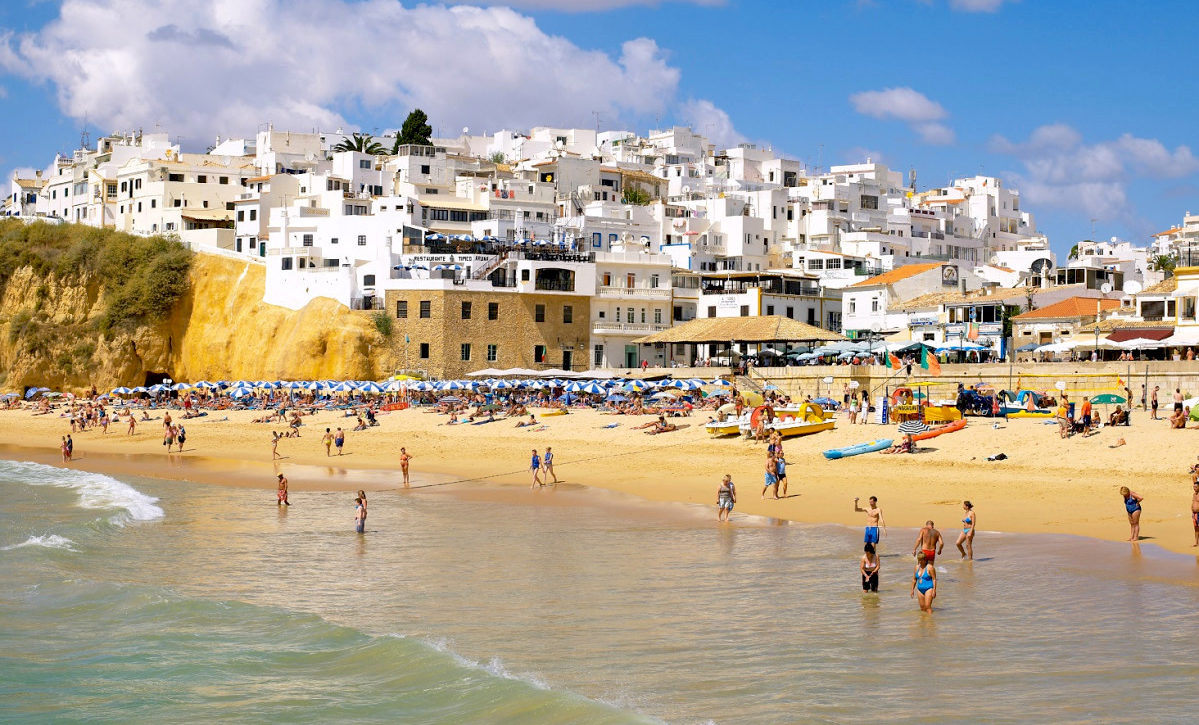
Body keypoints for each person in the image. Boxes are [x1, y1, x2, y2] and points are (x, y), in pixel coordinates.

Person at [1191, 481, 1199, 547]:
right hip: (1194, 513)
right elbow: (1193, 502)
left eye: (1196, 487)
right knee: (1196, 528)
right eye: (1194, 487)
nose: (1194, 488)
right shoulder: (1194, 494)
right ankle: (1196, 542)